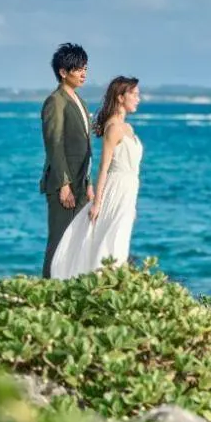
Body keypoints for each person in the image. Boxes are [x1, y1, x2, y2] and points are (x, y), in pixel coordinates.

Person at [48, 76, 142, 279]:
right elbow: (103, 168)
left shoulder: (128, 128)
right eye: (134, 94)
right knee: (113, 239)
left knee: (120, 239)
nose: (138, 98)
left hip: (128, 192)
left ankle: (111, 283)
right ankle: (103, 282)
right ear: (120, 97)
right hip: (115, 190)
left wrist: (132, 206)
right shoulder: (114, 128)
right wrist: (97, 203)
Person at [39, 42, 92, 277]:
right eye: (78, 69)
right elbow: (55, 143)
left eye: (85, 68)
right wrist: (63, 184)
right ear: (63, 72)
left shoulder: (80, 101)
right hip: (65, 185)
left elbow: (85, 147)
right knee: (59, 241)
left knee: (77, 243)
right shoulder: (55, 101)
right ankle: (47, 290)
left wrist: (88, 182)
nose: (83, 73)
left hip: (81, 183)